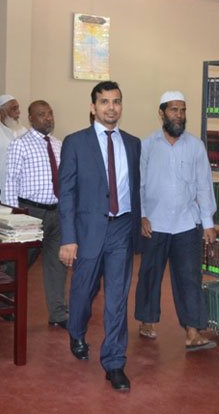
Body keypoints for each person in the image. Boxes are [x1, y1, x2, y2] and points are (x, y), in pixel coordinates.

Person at [58, 80, 141, 393]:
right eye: (104, 102)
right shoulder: (75, 142)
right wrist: (68, 238)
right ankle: (76, 330)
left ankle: (114, 363)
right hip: (87, 230)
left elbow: (136, 189)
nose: (111, 107)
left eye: (116, 101)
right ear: (93, 107)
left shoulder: (133, 144)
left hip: (121, 228)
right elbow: (66, 193)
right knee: (82, 291)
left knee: (117, 298)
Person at [134, 91, 218, 351]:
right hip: (154, 223)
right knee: (150, 275)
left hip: (186, 223)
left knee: (189, 278)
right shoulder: (147, 146)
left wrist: (208, 222)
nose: (179, 115)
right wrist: (141, 215)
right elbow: (138, 184)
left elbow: (204, 185)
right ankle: (147, 321)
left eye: (182, 110)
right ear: (162, 113)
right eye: (173, 110)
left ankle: (193, 331)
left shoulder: (195, 146)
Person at [3, 100, 68, 328]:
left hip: (57, 212)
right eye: (42, 114)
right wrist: (15, 217)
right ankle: (2, 299)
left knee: (57, 264)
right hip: (30, 213)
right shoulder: (20, 144)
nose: (48, 118)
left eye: (50, 113)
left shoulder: (59, 145)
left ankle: (58, 313)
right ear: (31, 119)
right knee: (19, 262)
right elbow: (10, 181)